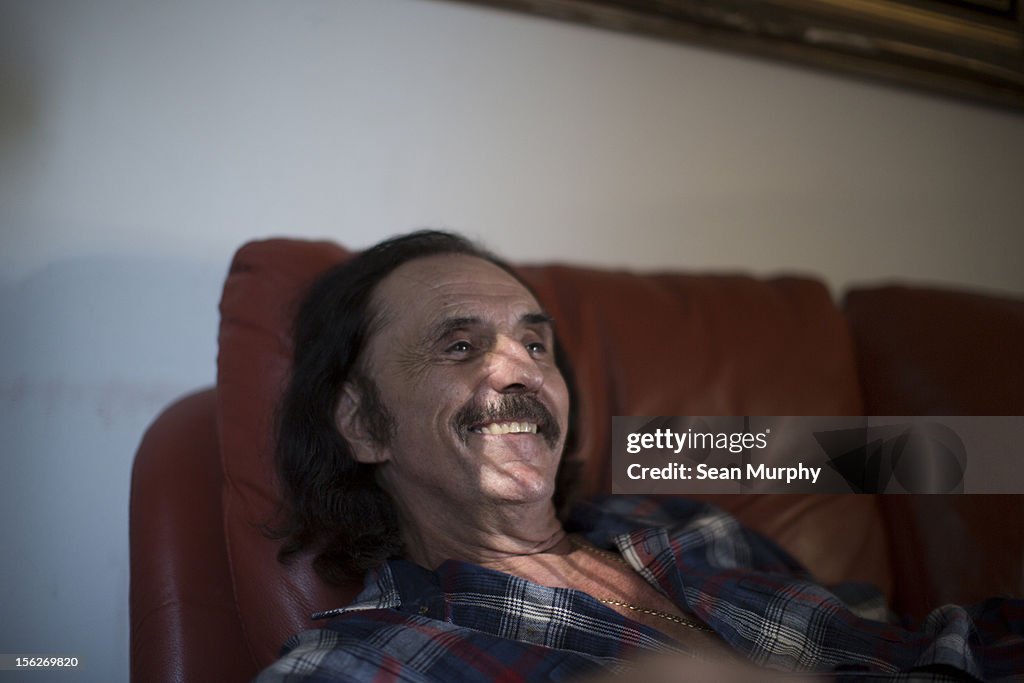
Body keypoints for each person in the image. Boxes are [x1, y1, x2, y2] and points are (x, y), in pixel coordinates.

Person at [257, 230, 1022, 682]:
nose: (518, 368)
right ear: (362, 424)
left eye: (535, 343)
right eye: (459, 345)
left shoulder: (669, 479)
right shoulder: (369, 655)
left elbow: (952, 461)